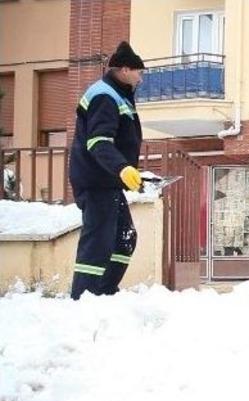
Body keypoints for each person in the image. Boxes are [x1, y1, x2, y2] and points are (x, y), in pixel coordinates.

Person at [69, 41, 145, 300]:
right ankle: (83, 299)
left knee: (125, 238)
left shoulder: (117, 94)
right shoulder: (104, 95)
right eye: (138, 71)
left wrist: (127, 171)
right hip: (95, 181)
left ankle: (104, 292)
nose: (140, 77)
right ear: (124, 69)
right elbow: (98, 141)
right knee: (98, 241)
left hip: (108, 182)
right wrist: (122, 167)